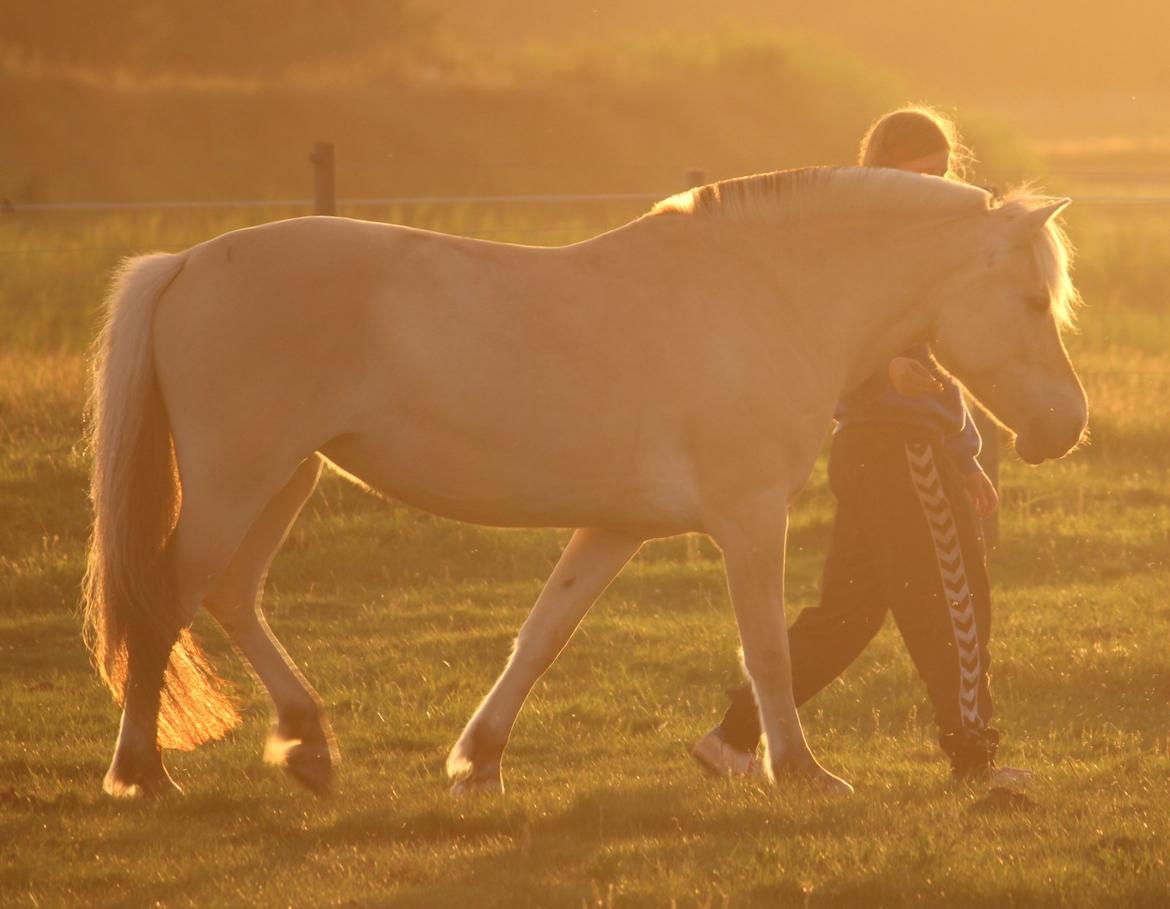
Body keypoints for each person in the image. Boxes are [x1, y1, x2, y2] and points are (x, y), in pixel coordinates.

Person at [692, 106, 1021, 784]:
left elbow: (946, 362)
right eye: (913, 177)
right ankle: (976, 760)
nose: (930, 188)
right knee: (957, 598)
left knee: (846, 616)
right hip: (896, 446)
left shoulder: (932, 246)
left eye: (939, 174)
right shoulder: (861, 250)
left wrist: (966, 455)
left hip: (894, 450)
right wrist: (884, 373)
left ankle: (732, 737)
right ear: (880, 176)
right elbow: (819, 348)